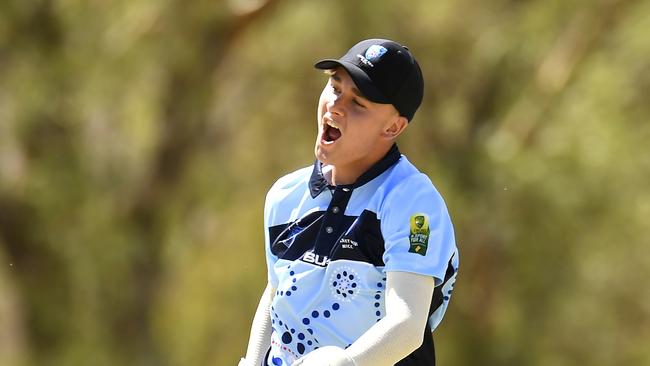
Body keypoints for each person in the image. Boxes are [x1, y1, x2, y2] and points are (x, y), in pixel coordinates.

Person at [239, 38, 459, 366]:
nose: (336, 106)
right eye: (335, 87)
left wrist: (343, 364)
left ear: (393, 127)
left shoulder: (412, 202)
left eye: (358, 103)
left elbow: (408, 324)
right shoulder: (285, 196)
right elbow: (276, 294)